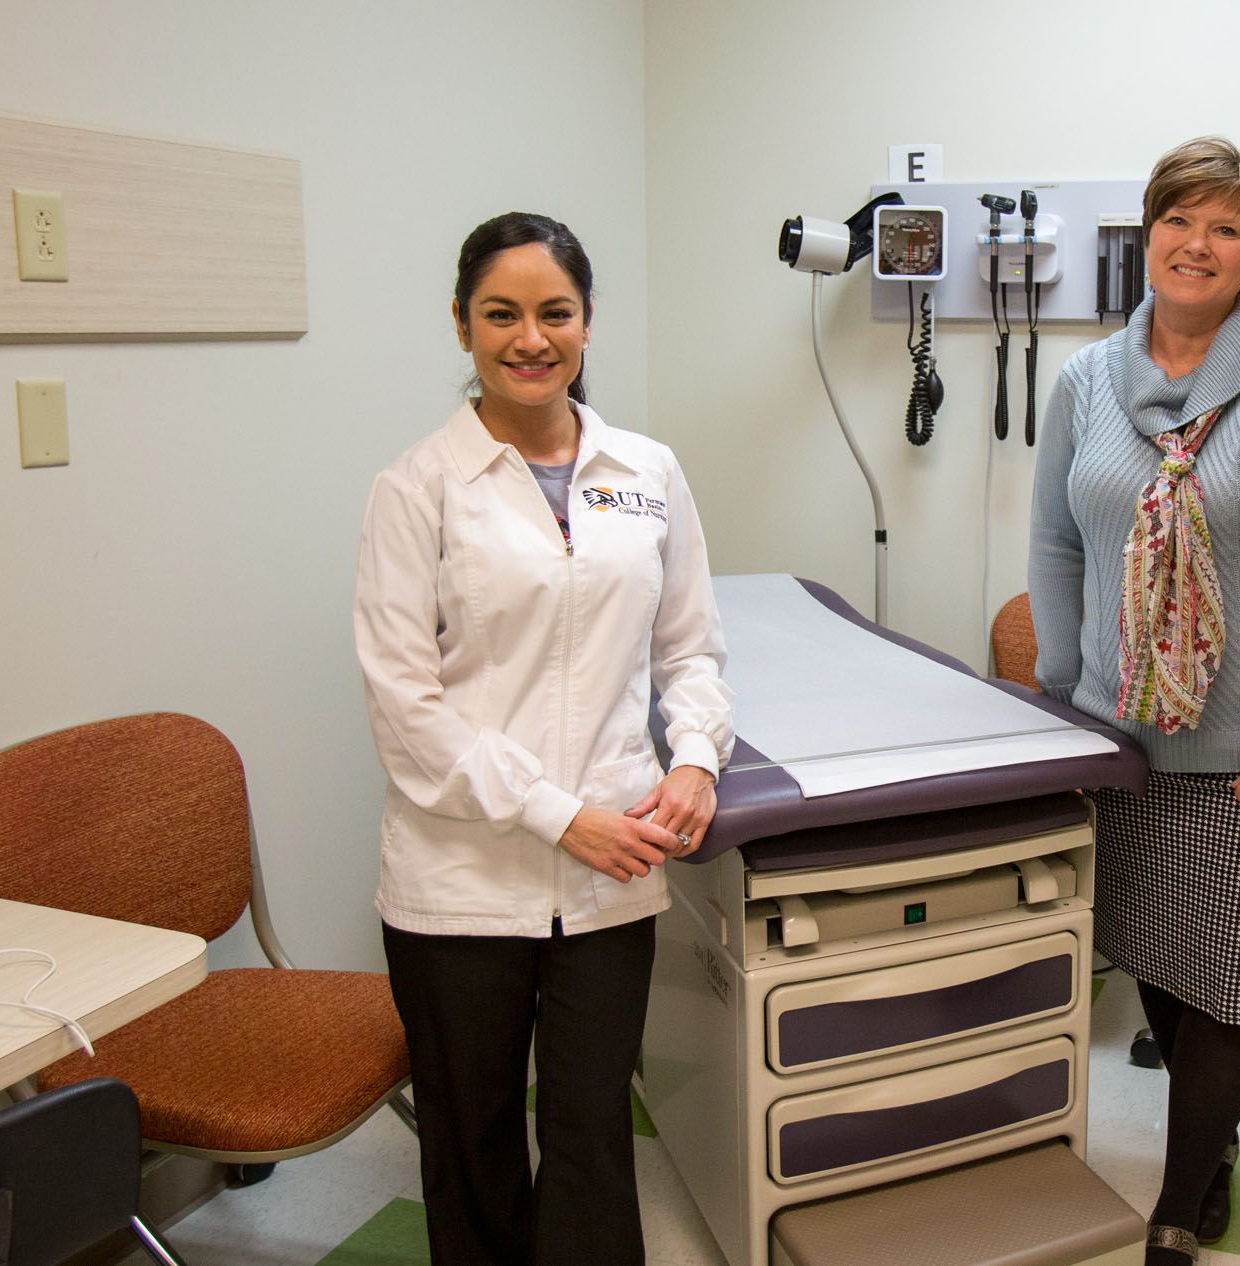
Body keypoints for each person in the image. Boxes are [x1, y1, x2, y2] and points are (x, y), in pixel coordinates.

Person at [354, 211, 734, 1266]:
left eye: (554, 313)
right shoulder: (417, 488)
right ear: (461, 325)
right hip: (460, 878)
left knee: (592, 1129)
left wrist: (696, 757)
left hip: (612, 868)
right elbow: (406, 706)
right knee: (472, 1139)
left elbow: (691, 649)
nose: (531, 339)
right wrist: (558, 816)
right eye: (501, 315)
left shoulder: (647, 471)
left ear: (587, 320)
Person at [1027, 138, 1240, 1263]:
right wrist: (1062, 702)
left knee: (1227, 986)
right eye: (1180, 220)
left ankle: (1179, 1204)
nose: (1198, 244)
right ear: (1150, 235)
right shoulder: (1086, 383)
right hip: (1123, 743)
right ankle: (1211, 1144)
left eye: (1227, 228)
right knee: (1164, 968)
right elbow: (1057, 543)